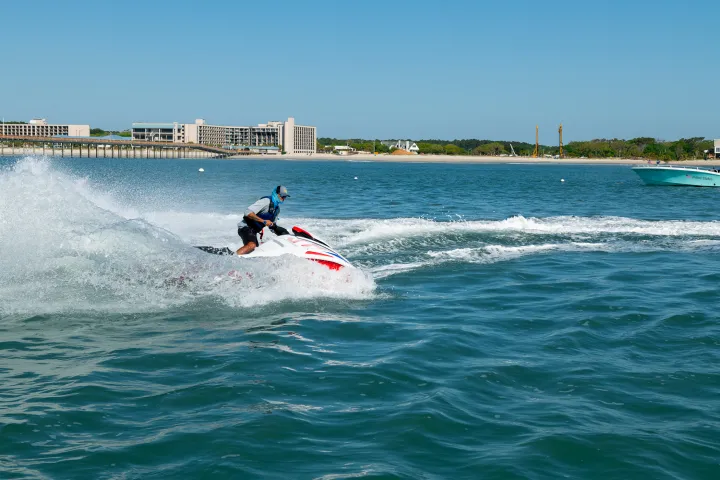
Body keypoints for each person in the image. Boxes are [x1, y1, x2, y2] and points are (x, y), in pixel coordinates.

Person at [236, 185, 290, 255]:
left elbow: (272, 227)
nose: (283, 198)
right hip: (245, 227)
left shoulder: (277, 210)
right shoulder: (266, 201)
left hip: (253, 231)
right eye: (282, 196)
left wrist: (286, 236)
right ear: (276, 194)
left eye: (285, 197)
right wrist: (263, 221)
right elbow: (247, 212)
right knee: (252, 245)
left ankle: (231, 254)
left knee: (255, 251)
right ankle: (231, 257)